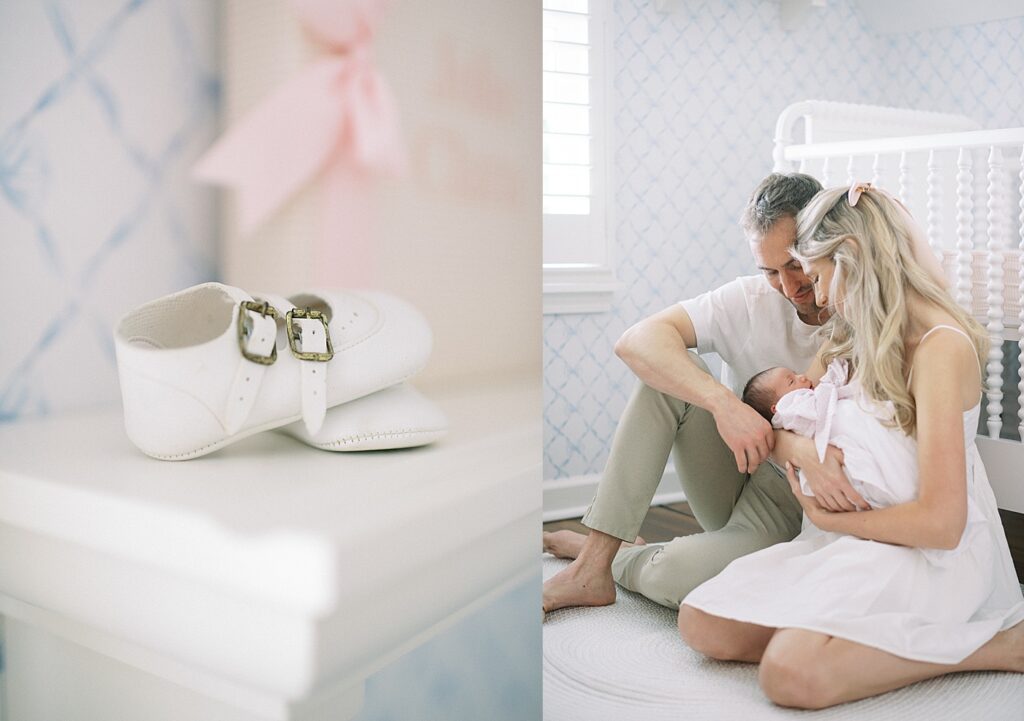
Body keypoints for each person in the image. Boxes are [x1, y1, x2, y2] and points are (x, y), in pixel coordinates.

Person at [678, 183, 1024, 709]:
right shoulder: (850, 335)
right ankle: (854, 640)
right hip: (848, 539)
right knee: (702, 622)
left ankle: (992, 648)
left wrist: (838, 522)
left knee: (789, 675)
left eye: (816, 276)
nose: (813, 297)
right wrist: (801, 458)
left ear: (852, 259)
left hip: (923, 552)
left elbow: (943, 525)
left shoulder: (938, 348)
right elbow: (789, 421)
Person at [543, 172, 871, 613]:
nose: (789, 287)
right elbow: (635, 341)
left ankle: (619, 556)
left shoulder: (863, 310)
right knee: (665, 376)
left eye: (795, 265)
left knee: (674, 575)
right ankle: (591, 566)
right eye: (770, 271)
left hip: (794, 504)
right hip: (739, 476)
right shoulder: (749, 300)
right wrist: (723, 404)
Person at [743, 358, 918, 511]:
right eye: (791, 381)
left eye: (795, 374)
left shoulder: (808, 400)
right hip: (844, 440)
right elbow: (819, 405)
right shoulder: (792, 412)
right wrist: (832, 379)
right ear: (777, 407)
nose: (802, 377)